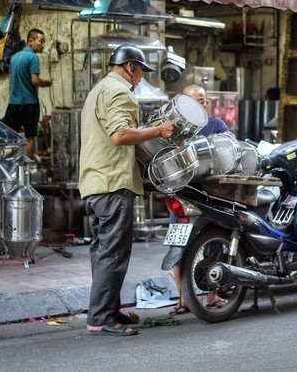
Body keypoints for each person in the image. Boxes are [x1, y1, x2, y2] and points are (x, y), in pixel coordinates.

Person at [79, 44, 175, 337]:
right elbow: (119, 135)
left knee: (103, 253)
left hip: (95, 184)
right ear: (131, 66)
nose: (140, 78)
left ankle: (108, 310)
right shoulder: (120, 91)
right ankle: (99, 319)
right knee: (113, 254)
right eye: (141, 72)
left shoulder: (99, 89)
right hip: (112, 183)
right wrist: (158, 131)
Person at [168, 83, 229, 314]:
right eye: (192, 101)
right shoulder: (172, 128)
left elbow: (229, 151)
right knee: (176, 246)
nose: (199, 104)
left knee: (213, 245)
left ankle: (212, 295)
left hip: (210, 194)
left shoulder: (216, 125)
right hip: (181, 195)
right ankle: (183, 299)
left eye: (202, 100)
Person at [1, 29, 52, 158]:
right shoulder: (33, 57)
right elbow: (35, 80)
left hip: (13, 103)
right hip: (29, 103)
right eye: (41, 41)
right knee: (30, 138)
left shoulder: (14, 58)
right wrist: (46, 82)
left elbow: (11, 81)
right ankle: (26, 168)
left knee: (11, 137)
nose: (43, 45)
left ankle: (10, 166)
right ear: (30, 41)